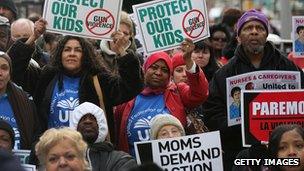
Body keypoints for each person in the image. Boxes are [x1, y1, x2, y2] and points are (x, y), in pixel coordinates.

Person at [8, 18, 144, 143]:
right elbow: (14, 70)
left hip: (88, 154)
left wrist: (121, 50)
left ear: (85, 55)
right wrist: (34, 37)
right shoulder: (46, 77)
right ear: (60, 54)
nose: (72, 53)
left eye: (77, 50)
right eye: (67, 49)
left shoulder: (98, 80)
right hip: (51, 150)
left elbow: (132, 86)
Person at [202, 9, 304, 171]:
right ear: (238, 37)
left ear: (266, 34)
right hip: (241, 156)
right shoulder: (224, 74)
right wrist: (244, 125)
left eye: (260, 28)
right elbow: (212, 116)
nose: (254, 32)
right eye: (248, 28)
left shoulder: (288, 68)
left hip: (285, 157)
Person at [115, 39, 209, 157]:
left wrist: (189, 60)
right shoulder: (128, 95)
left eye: (164, 70)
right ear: (145, 69)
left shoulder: (177, 92)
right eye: (154, 67)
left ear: (169, 75)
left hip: (173, 162)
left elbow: (200, 94)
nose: (158, 73)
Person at [70, 102, 137, 171]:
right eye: (83, 119)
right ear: (74, 126)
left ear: (102, 125)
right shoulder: (64, 162)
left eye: (93, 118)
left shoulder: (121, 161)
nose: (88, 121)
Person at [0, 52, 40, 150]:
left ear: (10, 74)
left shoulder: (26, 102)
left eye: (4, 68)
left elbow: (36, 136)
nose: (0, 73)